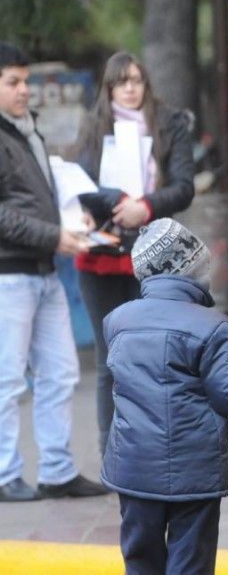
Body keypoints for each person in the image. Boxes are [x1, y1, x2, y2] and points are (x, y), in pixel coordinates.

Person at [102, 218, 228, 575]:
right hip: (193, 472)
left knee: (140, 560)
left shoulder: (116, 321)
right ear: (191, 269)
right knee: (191, 563)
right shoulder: (212, 326)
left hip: (132, 470)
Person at [74, 51, 196, 456]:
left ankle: (155, 445)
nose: (129, 88)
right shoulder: (92, 127)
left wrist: (145, 205)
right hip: (103, 256)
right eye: (120, 81)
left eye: (136, 80)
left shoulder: (170, 124)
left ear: (146, 84)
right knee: (111, 355)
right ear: (108, 88)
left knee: (155, 353)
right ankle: (114, 449)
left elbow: (183, 186)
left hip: (154, 252)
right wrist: (117, 201)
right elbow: (80, 186)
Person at [0, 42, 107, 502]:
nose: (25, 90)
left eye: (26, 81)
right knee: (5, 380)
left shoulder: (26, 132)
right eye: (14, 82)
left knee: (62, 373)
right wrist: (53, 236)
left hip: (43, 271)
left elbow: (34, 199)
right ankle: (4, 475)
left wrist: (69, 221)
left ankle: (58, 471)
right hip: (9, 274)